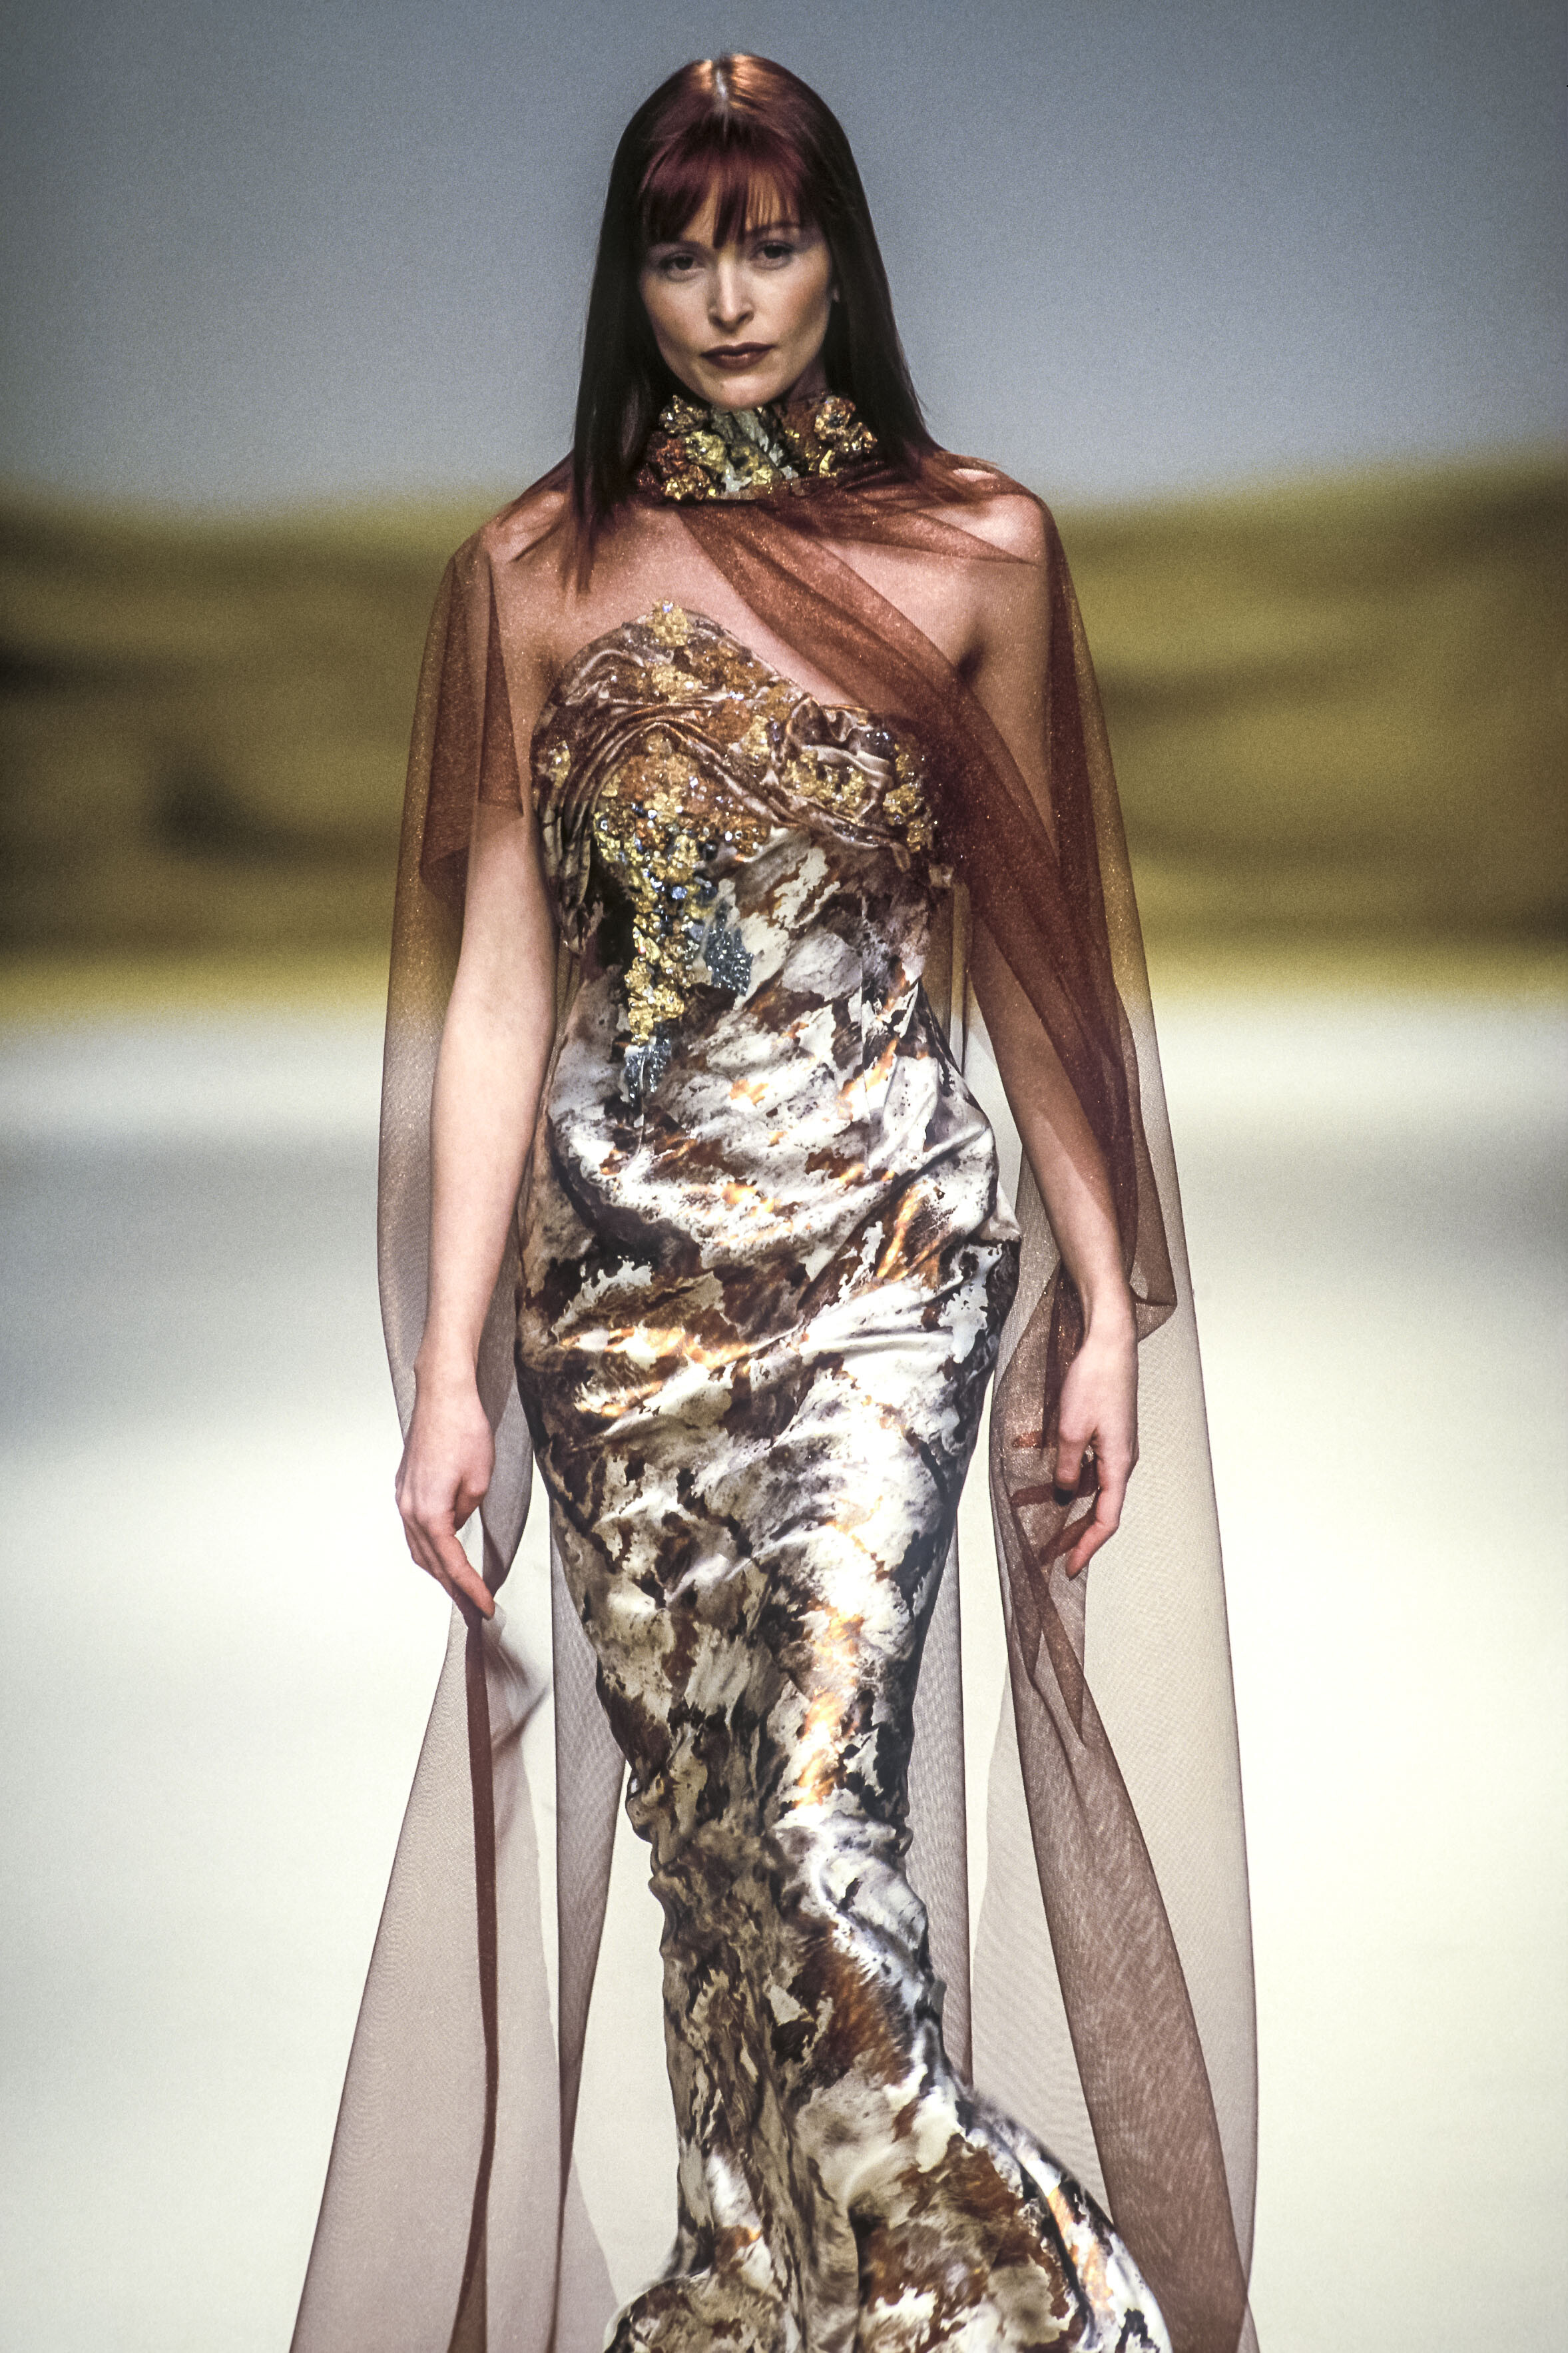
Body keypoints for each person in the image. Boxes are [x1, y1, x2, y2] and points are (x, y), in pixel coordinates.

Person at [293, 54, 1258, 2353]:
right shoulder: (531, 575)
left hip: (885, 1278)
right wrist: (449, 1376)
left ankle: (1031, 2316)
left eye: (770, 241)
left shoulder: (979, 553)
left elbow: (1036, 968)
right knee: (711, 1866)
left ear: (842, 262)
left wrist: (1099, 1301)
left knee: (814, 1827)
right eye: (678, 250)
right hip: (619, 1306)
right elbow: (504, 988)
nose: (727, 299)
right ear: (625, 279)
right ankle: (752, 2295)